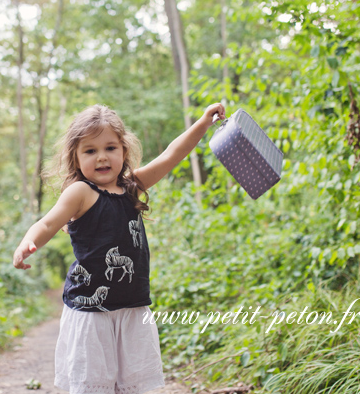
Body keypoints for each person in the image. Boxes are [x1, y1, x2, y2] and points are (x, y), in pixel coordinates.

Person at [12, 102, 226, 394]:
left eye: (110, 148)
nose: (101, 157)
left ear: (123, 151)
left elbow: (172, 154)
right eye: (90, 151)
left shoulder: (133, 186)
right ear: (75, 157)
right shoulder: (80, 192)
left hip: (132, 307)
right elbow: (48, 223)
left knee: (132, 388)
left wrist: (203, 123)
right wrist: (28, 241)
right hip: (92, 313)